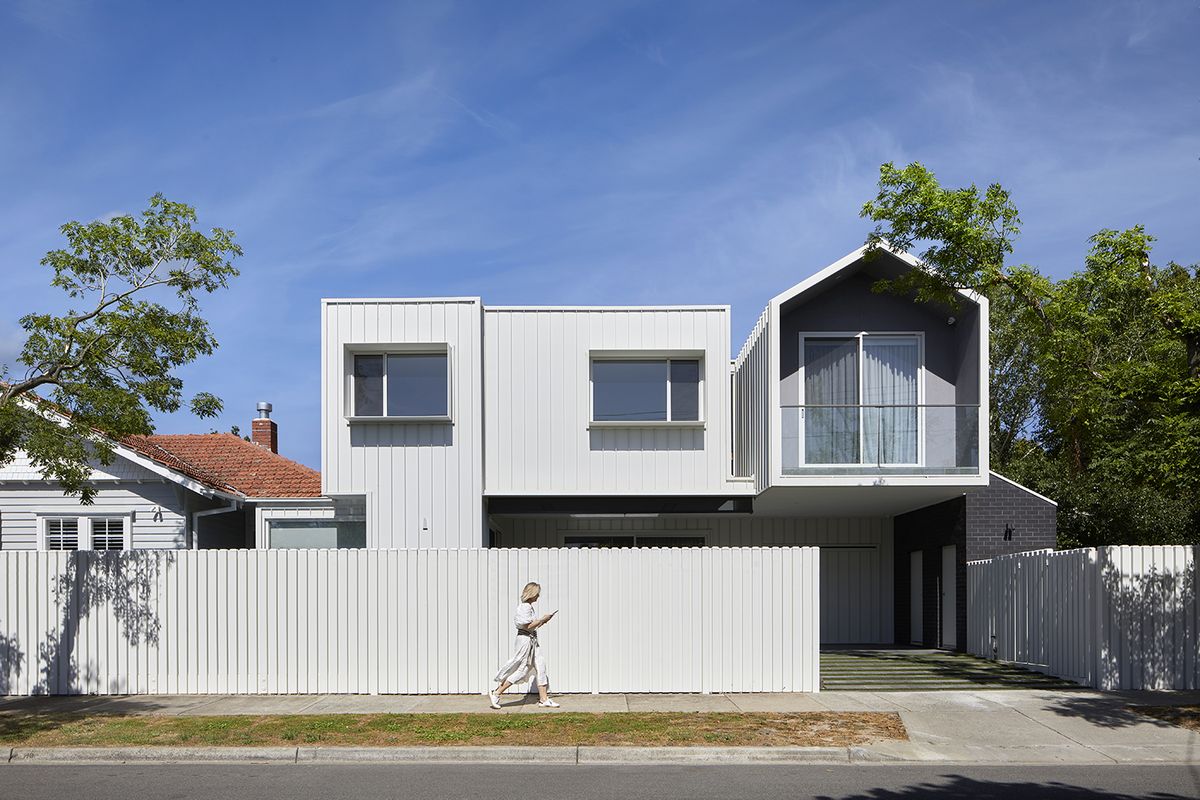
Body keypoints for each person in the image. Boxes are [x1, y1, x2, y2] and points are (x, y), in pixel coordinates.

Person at [489, 581, 559, 709]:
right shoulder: (524, 607)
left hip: (531, 640)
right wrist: (542, 619)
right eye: (537, 593)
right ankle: (496, 693)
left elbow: (532, 626)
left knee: (541, 666)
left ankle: (544, 699)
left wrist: (544, 621)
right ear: (532, 594)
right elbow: (527, 626)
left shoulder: (529, 607)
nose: (538, 596)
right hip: (525, 641)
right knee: (521, 670)